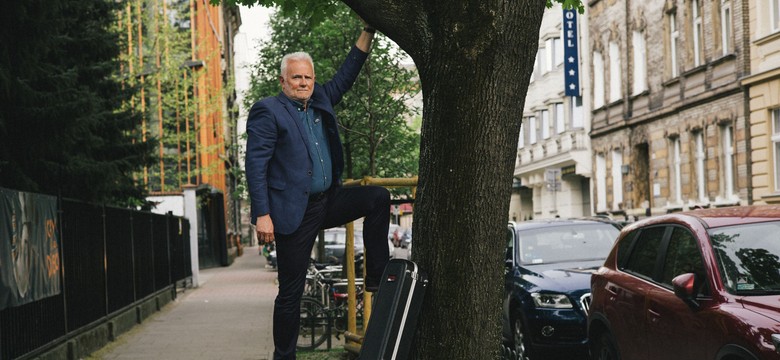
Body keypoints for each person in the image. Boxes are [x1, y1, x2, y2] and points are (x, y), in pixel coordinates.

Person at [244, 22, 390, 359]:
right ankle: (284, 356)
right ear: (283, 81)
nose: (304, 83)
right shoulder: (269, 110)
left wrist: (368, 32)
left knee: (378, 197)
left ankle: (377, 277)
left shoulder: (321, 99)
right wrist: (262, 214)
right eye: (296, 77)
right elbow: (256, 164)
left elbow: (347, 74)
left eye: (308, 77)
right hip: (294, 212)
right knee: (290, 293)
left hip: (329, 200)